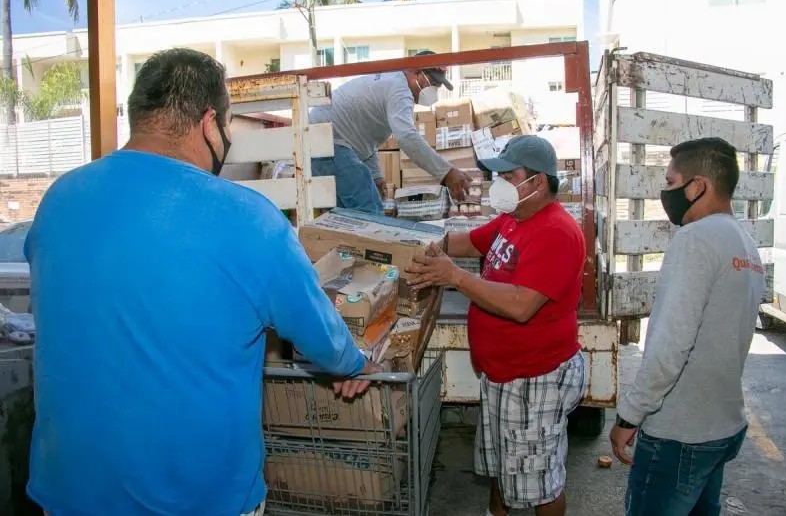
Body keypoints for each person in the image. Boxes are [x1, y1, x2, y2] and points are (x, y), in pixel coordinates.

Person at [24, 48, 381, 516]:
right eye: (229, 125)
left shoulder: (60, 198)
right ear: (210, 123)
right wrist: (354, 364)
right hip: (197, 498)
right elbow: (323, 339)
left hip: (69, 489)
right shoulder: (247, 216)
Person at [407, 135, 587, 516]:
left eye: (508, 174)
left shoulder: (557, 232)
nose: (498, 182)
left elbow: (522, 306)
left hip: (535, 379)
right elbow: (470, 243)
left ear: (537, 182)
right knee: (502, 465)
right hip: (502, 375)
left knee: (539, 481)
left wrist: (454, 277)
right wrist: (419, 240)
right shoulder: (512, 218)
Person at [610, 137, 766, 515]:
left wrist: (630, 415)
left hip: (680, 433)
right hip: (721, 427)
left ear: (697, 186)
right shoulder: (745, 243)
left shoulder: (694, 240)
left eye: (670, 181)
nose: (665, 192)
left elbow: (669, 344)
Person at [309, 50, 472, 214]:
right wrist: (447, 172)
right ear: (416, 72)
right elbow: (407, 137)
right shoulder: (400, 90)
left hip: (325, 139)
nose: (434, 90)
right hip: (327, 140)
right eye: (432, 83)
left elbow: (367, 139)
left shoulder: (391, 83)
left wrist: (376, 176)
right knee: (368, 210)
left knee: (348, 215)